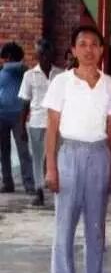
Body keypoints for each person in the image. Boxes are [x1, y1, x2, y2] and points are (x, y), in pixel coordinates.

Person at [43, 26, 111, 273]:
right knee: (65, 223)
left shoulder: (109, 84)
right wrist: (51, 167)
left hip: (99, 154)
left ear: (101, 50)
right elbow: (52, 127)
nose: (89, 50)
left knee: (96, 225)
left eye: (94, 44)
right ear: (73, 50)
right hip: (70, 154)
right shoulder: (61, 82)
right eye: (82, 44)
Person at [18, 39, 63, 205]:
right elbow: (25, 102)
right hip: (36, 123)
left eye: (45, 53)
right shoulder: (29, 75)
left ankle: (59, 189)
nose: (42, 56)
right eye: (40, 53)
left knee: (57, 157)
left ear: (51, 54)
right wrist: (22, 127)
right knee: (37, 158)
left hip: (57, 124)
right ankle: (39, 191)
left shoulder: (61, 75)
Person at [0, 42, 34, 194]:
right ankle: (8, 183)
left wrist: (7, 65)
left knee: (23, 151)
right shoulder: (3, 71)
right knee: (3, 151)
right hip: (2, 115)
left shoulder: (22, 70)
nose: (3, 60)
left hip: (17, 116)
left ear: (9, 56)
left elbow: (20, 67)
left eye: (4, 57)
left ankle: (29, 184)